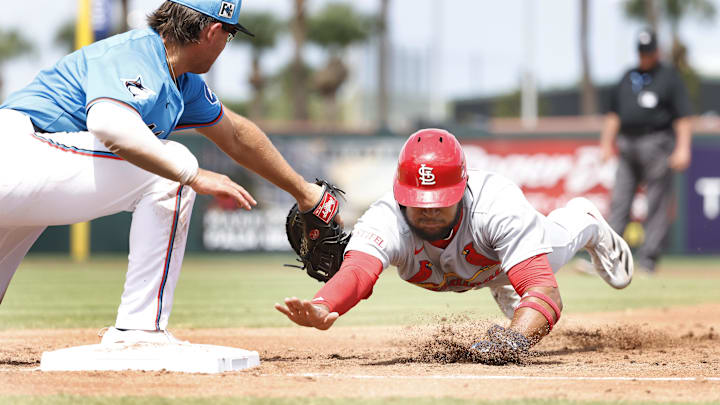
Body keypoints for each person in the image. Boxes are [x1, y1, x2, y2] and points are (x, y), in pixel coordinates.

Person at [0, 0, 324, 344]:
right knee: (173, 168)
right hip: (19, 150)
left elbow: (237, 136)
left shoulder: (181, 82)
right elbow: (109, 124)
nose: (225, 44)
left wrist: (305, 192)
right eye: (228, 34)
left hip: (26, 164)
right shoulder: (136, 54)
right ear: (212, 31)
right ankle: (140, 331)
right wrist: (192, 174)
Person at [275, 129, 634, 363]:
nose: (429, 211)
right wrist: (324, 304)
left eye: (440, 201)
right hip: (483, 265)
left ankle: (584, 220)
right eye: (420, 201)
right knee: (510, 286)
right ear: (401, 194)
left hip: (502, 259)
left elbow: (547, 294)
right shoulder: (385, 218)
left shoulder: (497, 206)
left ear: (462, 191)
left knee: (552, 253)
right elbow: (357, 273)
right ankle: (506, 285)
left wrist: (510, 343)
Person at [599, 28, 692, 274]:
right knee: (619, 202)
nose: (645, 56)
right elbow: (613, 114)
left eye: (649, 51)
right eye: (642, 52)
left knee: (657, 203)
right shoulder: (628, 76)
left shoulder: (669, 77)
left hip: (657, 142)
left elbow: (683, 117)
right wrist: (606, 143)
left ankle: (649, 260)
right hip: (627, 144)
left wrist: (683, 148)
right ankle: (608, 258)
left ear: (656, 51)